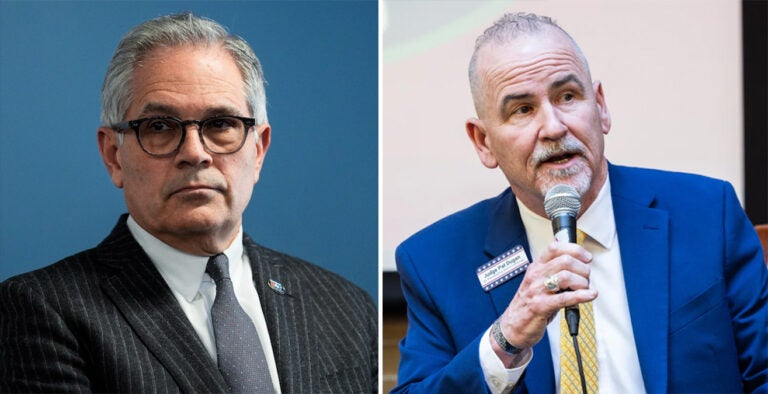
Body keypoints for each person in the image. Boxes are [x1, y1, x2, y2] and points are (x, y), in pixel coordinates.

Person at [0, 13, 376, 393]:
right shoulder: (42, 310)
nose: (195, 153)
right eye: (160, 127)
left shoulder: (346, 307)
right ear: (114, 155)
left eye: (220, 124)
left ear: (258, 150)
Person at [393, 12, 767, 393]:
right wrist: (505, 339)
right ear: (484, 142)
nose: (554, 127)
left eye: (567, 96)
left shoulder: (707, 213)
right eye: (522, 109)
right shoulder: (434, 263)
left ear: (601, 106)